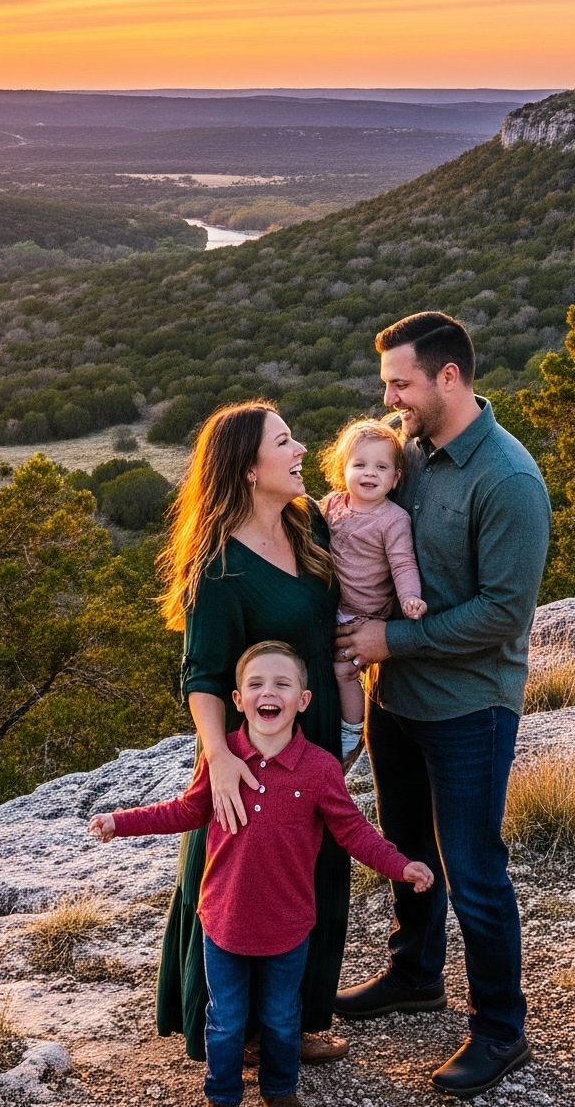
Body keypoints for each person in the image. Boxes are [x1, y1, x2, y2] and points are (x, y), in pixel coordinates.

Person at [334, 310, 551, 1098]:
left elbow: (504, 612)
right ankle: (415, 974)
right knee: (408, 846)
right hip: (398, 702)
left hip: (469, 707)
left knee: (474, 868)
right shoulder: (410, 453)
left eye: (401, 382)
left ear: (448, 378)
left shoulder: (509, 479)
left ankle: (501, 1029)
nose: (389, 396)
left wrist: (389, 639)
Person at [94, 641, 435, 1107]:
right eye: (254, 684)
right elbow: (184, 811)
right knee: (227, 1019)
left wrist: (401, 864)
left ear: (303, 700)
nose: (266, 693)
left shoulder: (318, 768)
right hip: (223, 923)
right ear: (237, 700)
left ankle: (279, 1091)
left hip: (289, 926)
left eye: (281, 684)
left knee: (280, 1017)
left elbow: (353, 831)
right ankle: (223, 1094)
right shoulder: (223, 761)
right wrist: (121, 822)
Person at [153, 401, 356, 1068]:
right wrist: (220, 761)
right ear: (246, 467)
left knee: (313, 874)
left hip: (316, 732)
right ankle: (234, 1030)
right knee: (245, 886)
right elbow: (204, 674)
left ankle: (294, 1022)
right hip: (251, 750)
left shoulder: (310, 524)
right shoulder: (219, 567)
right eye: (284, 441)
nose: (301, 449)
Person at [318, 416, 424, 761]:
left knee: (343, 670)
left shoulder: (393, 519)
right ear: (342, 468)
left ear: (396, 478)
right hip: (329, 604)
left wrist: (409, 597)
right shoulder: (333, 505)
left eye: (381, 467)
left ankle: (351, 731)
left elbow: (403, 563)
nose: (369, 473)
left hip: (363, 614)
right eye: (359, 464)